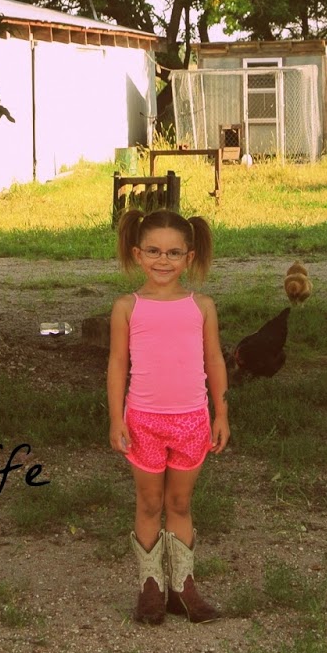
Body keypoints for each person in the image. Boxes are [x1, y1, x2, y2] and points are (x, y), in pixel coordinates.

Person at [108, 208, 230, 625]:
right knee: (149, 502)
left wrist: (221, 413)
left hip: (192, 421)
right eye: (154, 251)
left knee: (179, 502)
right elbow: (117, 364)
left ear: (189, 257)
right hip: (143, 421)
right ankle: (150, 588)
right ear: (137, 254)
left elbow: (214, 360)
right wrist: (116, 418)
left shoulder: (202, 307)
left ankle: (182, 587)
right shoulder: (127, 307)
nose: (163, 260)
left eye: (174, 253)